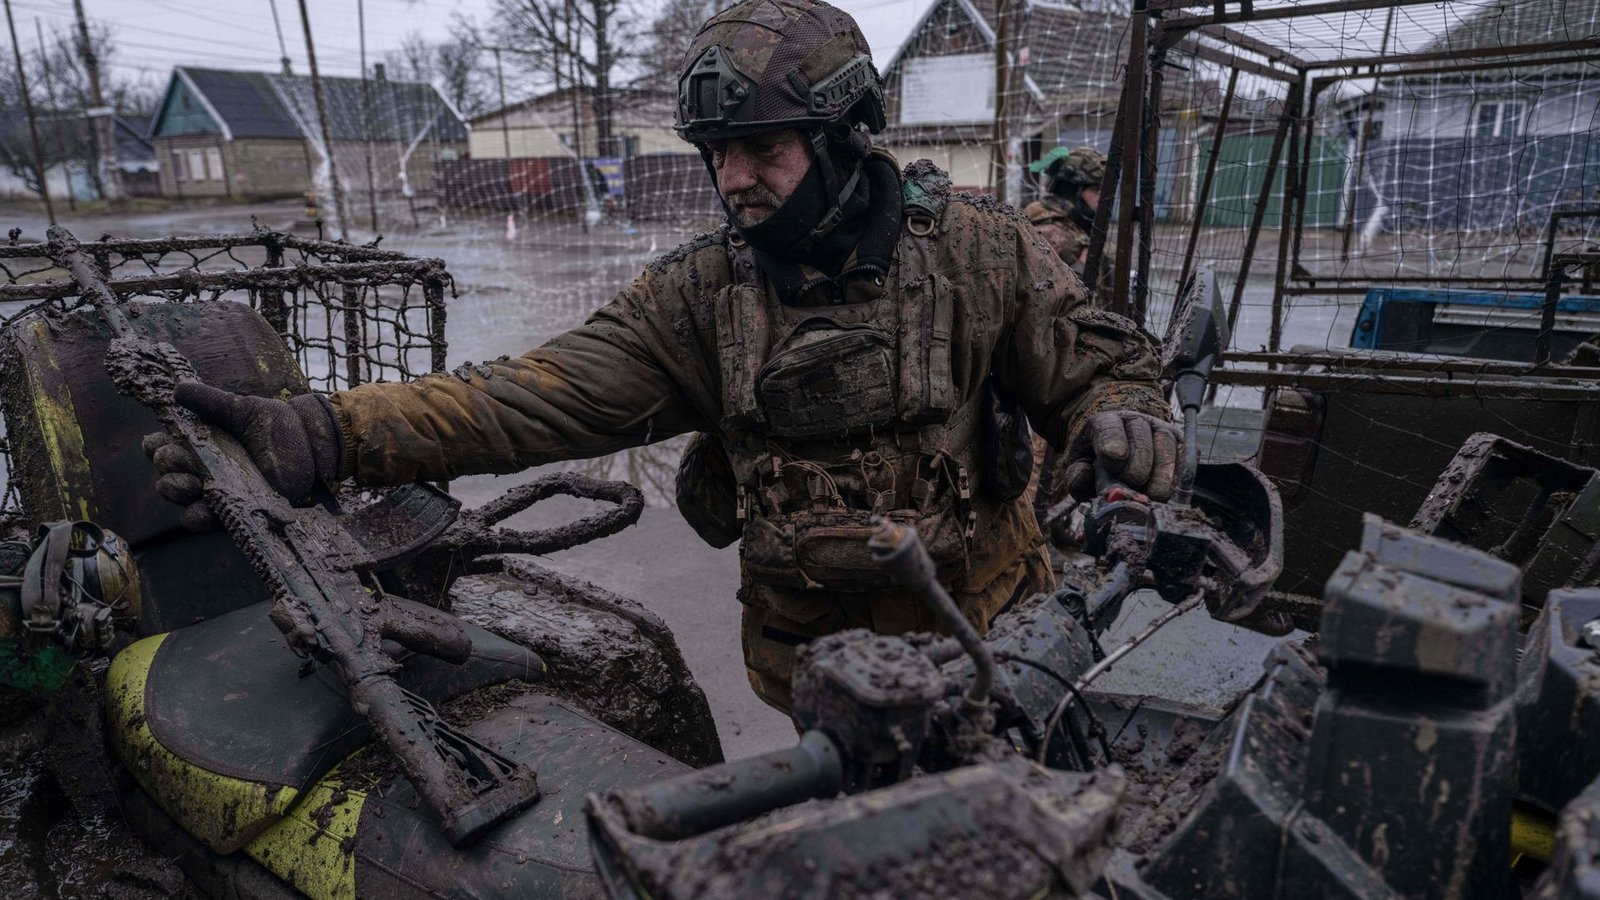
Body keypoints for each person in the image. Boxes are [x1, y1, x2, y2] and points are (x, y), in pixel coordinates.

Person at [146, 0, 1178, 716]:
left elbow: (1099, 365)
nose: (733, 180)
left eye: (763, 149)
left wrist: (1125, 416)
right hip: (823, 679)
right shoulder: (697, 299)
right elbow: (522, 398)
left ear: (844, 137)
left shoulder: (981, 252)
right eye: (717, 153)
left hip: (996, 645)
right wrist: (323, 433)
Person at [1023, 146, 1115, 300]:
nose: (1103, 198)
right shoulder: (1050, 234)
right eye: (1096, 190)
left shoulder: (1078, 227)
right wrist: (1082, 267)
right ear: (1072, 190)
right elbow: (1044, 300)